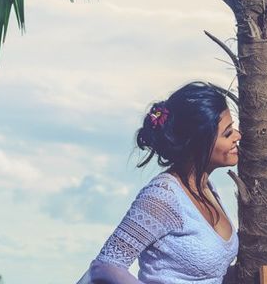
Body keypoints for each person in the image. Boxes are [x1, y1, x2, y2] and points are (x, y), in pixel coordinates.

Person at [77, 82, 241, 284]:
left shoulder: (208, 190)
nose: (238, 137)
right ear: (198, 141)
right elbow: (106, 266)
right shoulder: (163, 196)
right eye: (227, 133)